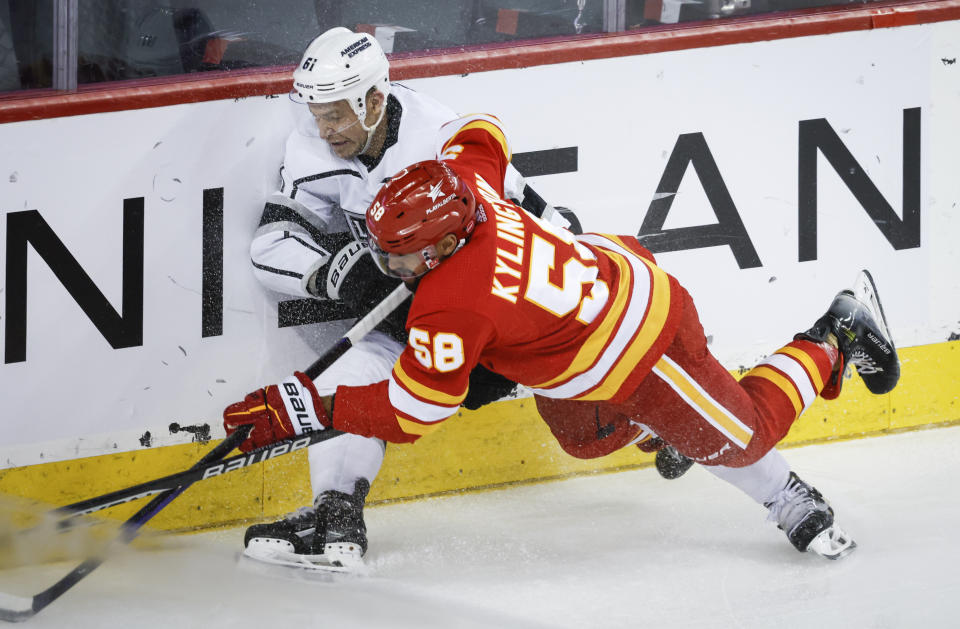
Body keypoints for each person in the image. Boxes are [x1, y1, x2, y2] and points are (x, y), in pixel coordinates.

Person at [226, 112, 901, 561]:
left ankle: (835, 333)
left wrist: (302, 407)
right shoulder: (466, 183)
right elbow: (480, 133)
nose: (390, 267)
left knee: (742, 435)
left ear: (442, 245)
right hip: (585, 324)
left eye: (402, 256)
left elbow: (411, 412)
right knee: (582, 437)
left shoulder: (452, 305)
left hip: (642, 339)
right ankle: (669, 426)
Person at [243, 27, 578, 570]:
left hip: (499, 324)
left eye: (336, 115)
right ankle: (337, 513)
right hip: (423, 321)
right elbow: (270, 245)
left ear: (374, 99)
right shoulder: (310, 145)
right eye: (317, 114)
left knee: (591, 430)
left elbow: (552, 228)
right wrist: (332, 274)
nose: (324, 130)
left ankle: (663, 427)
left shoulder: (442, 140)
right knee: (341, 378)